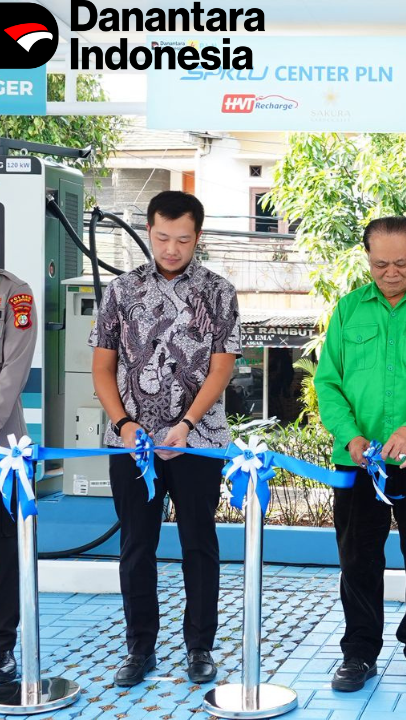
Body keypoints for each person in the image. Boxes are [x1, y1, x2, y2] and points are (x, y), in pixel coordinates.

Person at [90, 191, 240, 687]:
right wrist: (123, 424)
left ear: (198, 236)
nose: (171, 249)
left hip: (198, 441)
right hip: (132, 445)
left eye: (182, 239)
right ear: (149, 232)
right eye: (161, 238)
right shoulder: (121, 290)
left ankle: (200, 648)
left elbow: (221, 368)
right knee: (136, 546)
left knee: (200, 543)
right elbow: (102, 367)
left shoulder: (219, 292)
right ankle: (140, 649)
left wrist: (187, 425)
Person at [314, 216, 406, 694]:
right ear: (368, 259)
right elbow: (327, 383)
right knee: (357, 559)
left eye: (401, 262)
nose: (391, 273)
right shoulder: (348, 310)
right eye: (380, 264)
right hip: (358, 461)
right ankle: (358, 652)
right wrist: (349, 435)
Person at [0, 270, 37, 685]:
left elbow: (13, 371)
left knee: (4, 552)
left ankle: (1, 647)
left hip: (2, 450)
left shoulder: (14, 295)